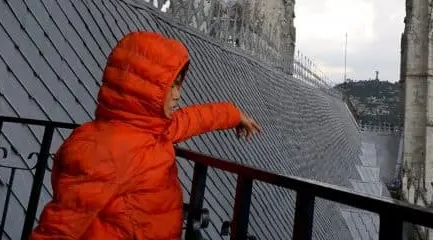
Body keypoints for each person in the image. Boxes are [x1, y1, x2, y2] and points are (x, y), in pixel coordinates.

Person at [29, 31, 261, 240]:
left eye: (178, 85)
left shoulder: (150, 129)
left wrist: (233, 114)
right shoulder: (106, 150)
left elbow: (193, 119)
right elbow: (59, 229)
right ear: (143, 91)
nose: (178, 96)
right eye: (171, 86)